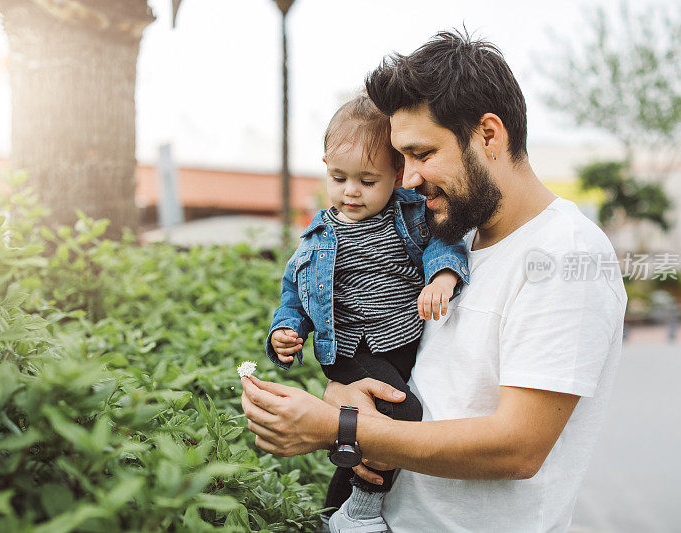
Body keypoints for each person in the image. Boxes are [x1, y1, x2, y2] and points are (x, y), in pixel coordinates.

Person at [243, 30, 627, 533]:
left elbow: (517, 448)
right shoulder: (450, 238)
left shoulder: (565, 255)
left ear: (489, 135)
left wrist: (340, 429)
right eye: (401, 159)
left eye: (422, 154)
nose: (406, 179)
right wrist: (345, 393)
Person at [265, 94, 469, 532]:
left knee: (369, 429)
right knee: (402, 416)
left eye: (367, 181)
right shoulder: (319, 237)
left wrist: (443, 278)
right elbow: (295, 296)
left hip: (400, 341)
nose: (351, 191)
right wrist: (285, 330)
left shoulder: (411, 215)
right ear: (325, 166)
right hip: (351, 351)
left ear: (397, 176)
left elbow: (443, 244)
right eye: (339, 177)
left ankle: (332, 515)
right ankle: (362, 510)